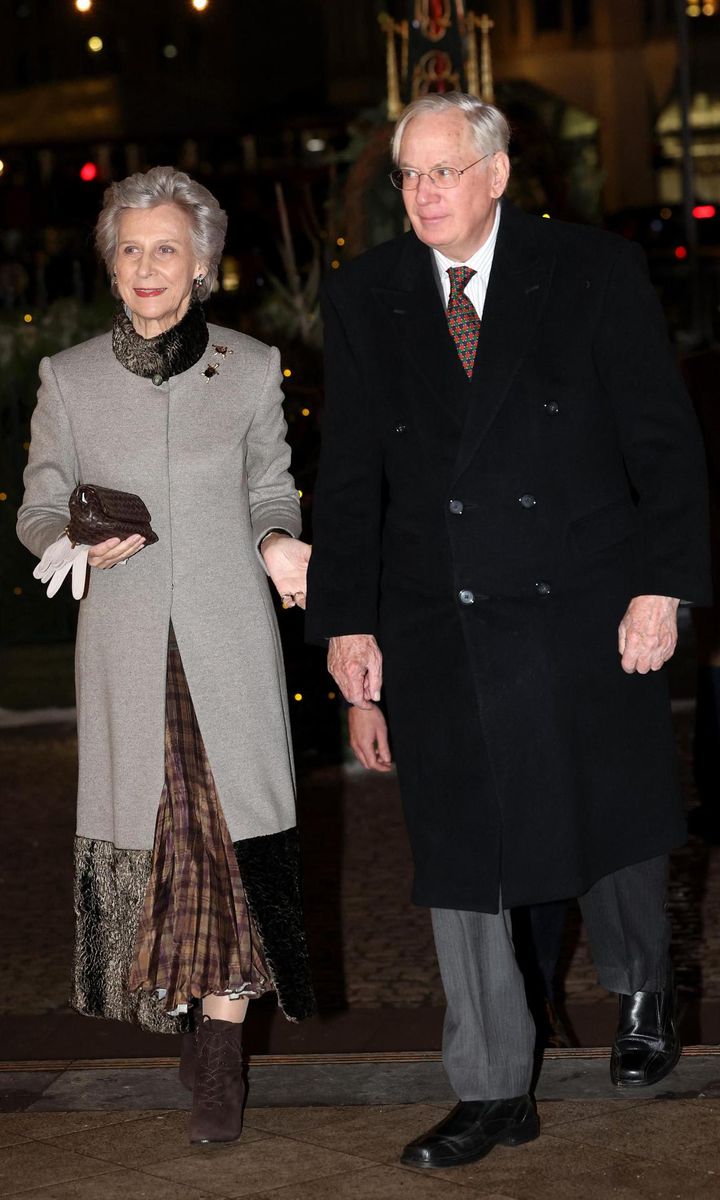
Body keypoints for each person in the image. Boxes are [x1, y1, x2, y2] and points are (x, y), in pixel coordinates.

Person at [306, 94, 711, 1170]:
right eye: (409, 176)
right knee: (463, 859)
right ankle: (492, 1089)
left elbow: (663, 445)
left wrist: (662, 588)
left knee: (613, 821)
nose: (425, 193)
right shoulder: (367, 297)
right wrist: (347, 630)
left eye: (445, 172)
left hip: (586, 600)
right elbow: (347, 482)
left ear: (495, 175)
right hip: (441, 617)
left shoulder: (590, 270)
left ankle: (641, 987)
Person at [17, 166, 314, 1147]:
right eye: (132, 248)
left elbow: (272, 486)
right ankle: (188, 1008)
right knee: (162, 851)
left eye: (168, 249)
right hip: (128, 654)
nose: (149, 266)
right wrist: (67, 539)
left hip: (229, 645)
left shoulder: (252, 365)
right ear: (112, 263)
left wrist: (278, 541)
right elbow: (39, 498)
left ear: (205, 265)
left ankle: (222, 1054)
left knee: (228, 846)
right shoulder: (68, 378)